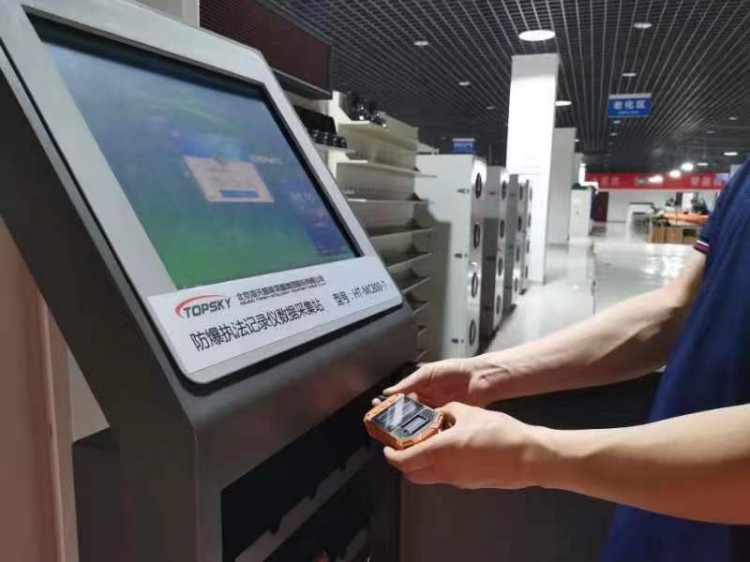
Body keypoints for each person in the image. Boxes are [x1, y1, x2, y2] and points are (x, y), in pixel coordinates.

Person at [381, 158, 750, 561]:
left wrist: (530, 455)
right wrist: (485, 373)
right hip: (659, 507)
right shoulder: (744, 178)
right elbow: (676, 309)